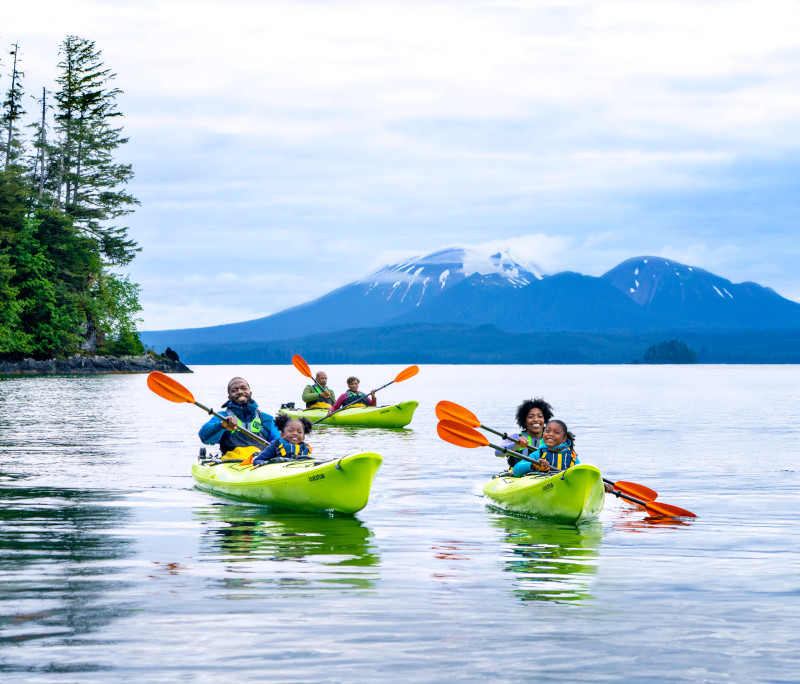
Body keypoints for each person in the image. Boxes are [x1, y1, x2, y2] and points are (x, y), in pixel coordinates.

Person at [198, 376, 279, 458]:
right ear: (229, 397)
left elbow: (278, 444)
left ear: (250, 393)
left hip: (260, 463)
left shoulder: (267, 419)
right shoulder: (222, 417)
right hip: (231, 464)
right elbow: (204, 437)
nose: (240, 392)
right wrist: (222, 425)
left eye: (243, 388)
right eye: (234, 390)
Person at [496, 398, 554, 468]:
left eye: (540, 416)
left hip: (545, 475)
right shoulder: (515, 437)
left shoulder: (552, 439)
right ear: (524, 421)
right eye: (530, 417)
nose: (536, 419)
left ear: (544, 420)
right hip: (519, 475)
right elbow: (498, 453)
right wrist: (517, 445)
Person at [511, 419, 579, 477]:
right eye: (547, 431)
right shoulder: (539, 454)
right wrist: (534, 465)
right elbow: (516, 471)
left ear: (564, 439)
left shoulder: (572, 456)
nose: (551, 434)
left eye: (556, 432)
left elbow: (582, 471)